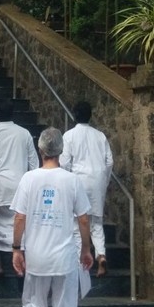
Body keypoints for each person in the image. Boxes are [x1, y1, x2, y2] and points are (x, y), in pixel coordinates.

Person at [11, 127, 93, 307]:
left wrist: (17, 248)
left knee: (34, 304)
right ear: (61, 151)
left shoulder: (29, 179)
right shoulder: (72, 180)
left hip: (36, 256)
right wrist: (86, 249)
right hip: (64, 257)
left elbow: (19, 218)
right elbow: (83, 219)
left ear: (40, 149)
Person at [0, 99, 39, 275]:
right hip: (20, 186)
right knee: (20, 225)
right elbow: (34, 164)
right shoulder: (25, 134)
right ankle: (21, 263)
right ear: (13, 114)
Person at [60, 100, 114, 277]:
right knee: (96, 222)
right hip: (98, 180)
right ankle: (101, 255)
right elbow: (109, 161)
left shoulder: (69, 136)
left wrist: (67, 181)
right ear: (90, 116)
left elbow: (64, 162)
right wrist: (104, 180)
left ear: (74, 115)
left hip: (78, 180)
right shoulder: (100, 136)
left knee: (77, 223)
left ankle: (80, 263)